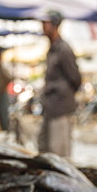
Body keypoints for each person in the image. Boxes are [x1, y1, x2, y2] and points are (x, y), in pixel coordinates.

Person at [38, 9, 81, 157]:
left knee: (59, 154)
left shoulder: (64, 50)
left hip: (60, 108)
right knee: (45, 149)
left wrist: (61, 92)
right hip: (50, 107)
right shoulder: (52, 49)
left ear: (55, 25)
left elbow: (76, 78)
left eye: (46, 23)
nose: (43, 27)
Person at [0, 47, 12, 132]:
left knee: (4, 114)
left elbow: (9, 77)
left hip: (3, 93)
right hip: (0, 93)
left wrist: (4, 86)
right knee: (1, 114)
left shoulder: (3, 66)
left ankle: (6, 130)